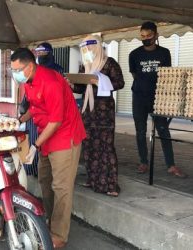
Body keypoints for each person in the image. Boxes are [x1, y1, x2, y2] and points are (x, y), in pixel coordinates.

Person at [13, 48, 86, 249]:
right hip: (47, 136)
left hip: (64, 135)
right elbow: (35, 107)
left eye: (17, 69)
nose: (15, 73)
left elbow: (56, 121)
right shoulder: (28, 81)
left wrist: (35, 146)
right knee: (45, 179)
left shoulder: (51, 82)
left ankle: (59, 235)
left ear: (29, 66)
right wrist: (18, 121)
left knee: (62, 187)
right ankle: (50, 221)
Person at [129, 21, 186, 177]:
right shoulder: (134, 54)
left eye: (149, 35)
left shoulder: (164, 53)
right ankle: (143, 162)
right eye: (142, 36)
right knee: (140, 131)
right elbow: (134, 75)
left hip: (159, 98)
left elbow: (166, 75)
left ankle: (171, 165)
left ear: (156, 35)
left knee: (163, 130)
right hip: (139, 97)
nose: (145, 38)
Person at [72, 35, 125, 197]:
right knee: (89, 146)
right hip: (88, 112)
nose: (87, 52)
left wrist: (100, 81)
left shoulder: (109, 63)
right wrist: (72, 84)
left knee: (105, 147)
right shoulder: (86, 66)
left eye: (89, 49)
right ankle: (93, 179)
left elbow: (120, 83)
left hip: (104, 114)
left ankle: (110, 184)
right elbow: (81, 89)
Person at [20, 42, 64, 193]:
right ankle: (32, 170)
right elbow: (30, 97)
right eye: (38, 53)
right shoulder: (30, 76)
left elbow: (56, 117)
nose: (41, 56)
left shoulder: (56, 72)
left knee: (40, 145)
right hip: (36, 115)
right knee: (33, 139)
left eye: (43, 53)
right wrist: (21, 116)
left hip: (54, 119)